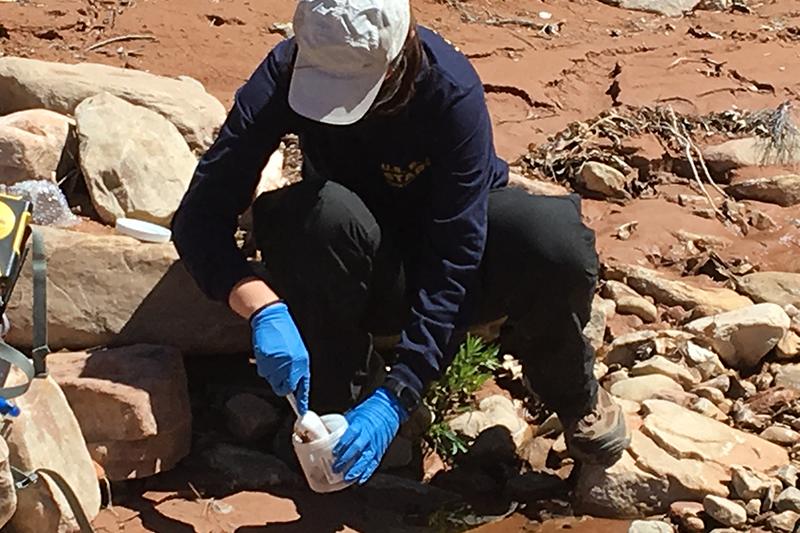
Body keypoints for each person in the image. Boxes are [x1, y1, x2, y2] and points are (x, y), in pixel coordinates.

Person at [172, 0, 629, 486]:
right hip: (356, 257)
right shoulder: (286, 71)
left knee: (553, 241)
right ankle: (334, 398)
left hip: (451, 259)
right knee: (311, 216)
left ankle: (569, 386)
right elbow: (199, 217)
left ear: (395, 62)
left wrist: (399, 395)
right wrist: (261, 307)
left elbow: (457, 257)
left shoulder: (450, 91)